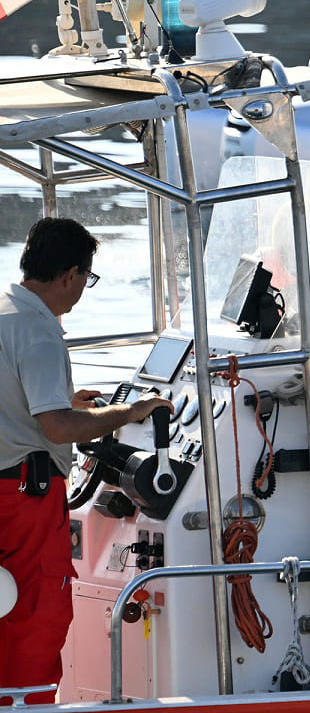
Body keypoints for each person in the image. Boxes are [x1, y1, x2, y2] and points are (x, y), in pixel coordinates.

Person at [0, 218, 171, 701]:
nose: (81, 292)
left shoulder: (5, 310)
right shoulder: (38, 331)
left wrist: (62, 399)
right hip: (23, 502)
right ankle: (26, 705)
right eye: (86, 280)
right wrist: (131, 411)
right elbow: (56, 429)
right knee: (36, 613)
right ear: (71, 274)